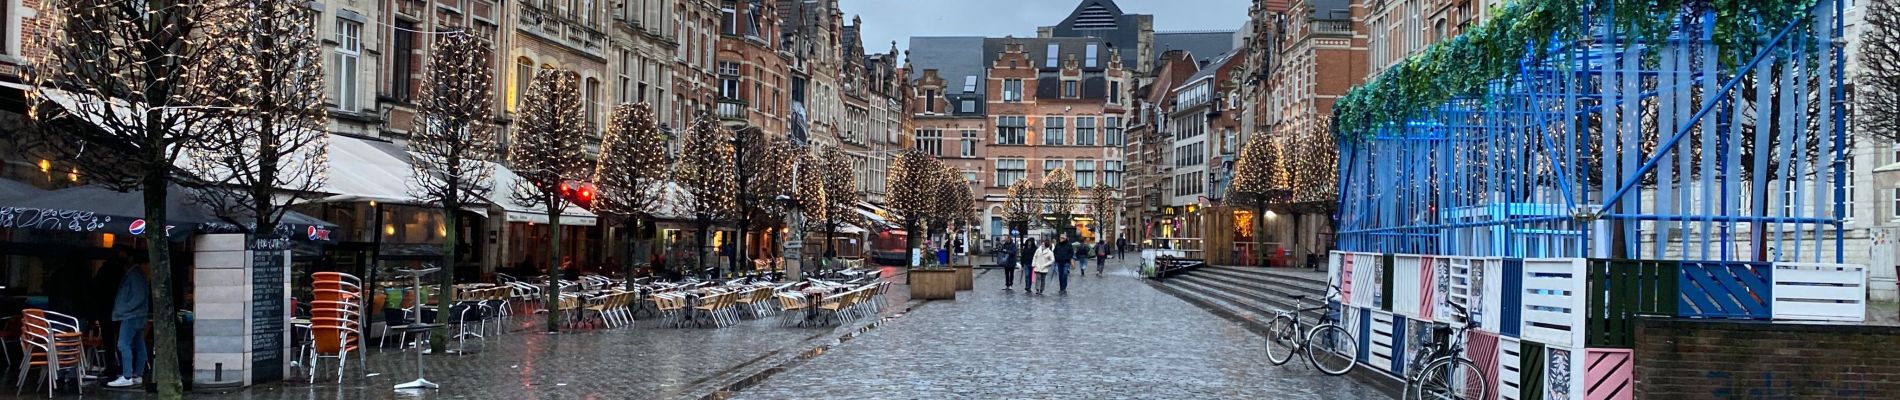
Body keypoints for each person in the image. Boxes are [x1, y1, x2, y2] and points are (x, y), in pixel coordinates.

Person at [106, 259, 150, 388]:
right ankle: (138, 375)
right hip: (138, 315)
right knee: (139, 343)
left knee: (123, 344)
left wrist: (122, 310)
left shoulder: (133, 275)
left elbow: (138, 297)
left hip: (131, 316)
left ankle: (127, 376)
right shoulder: (138, 275)